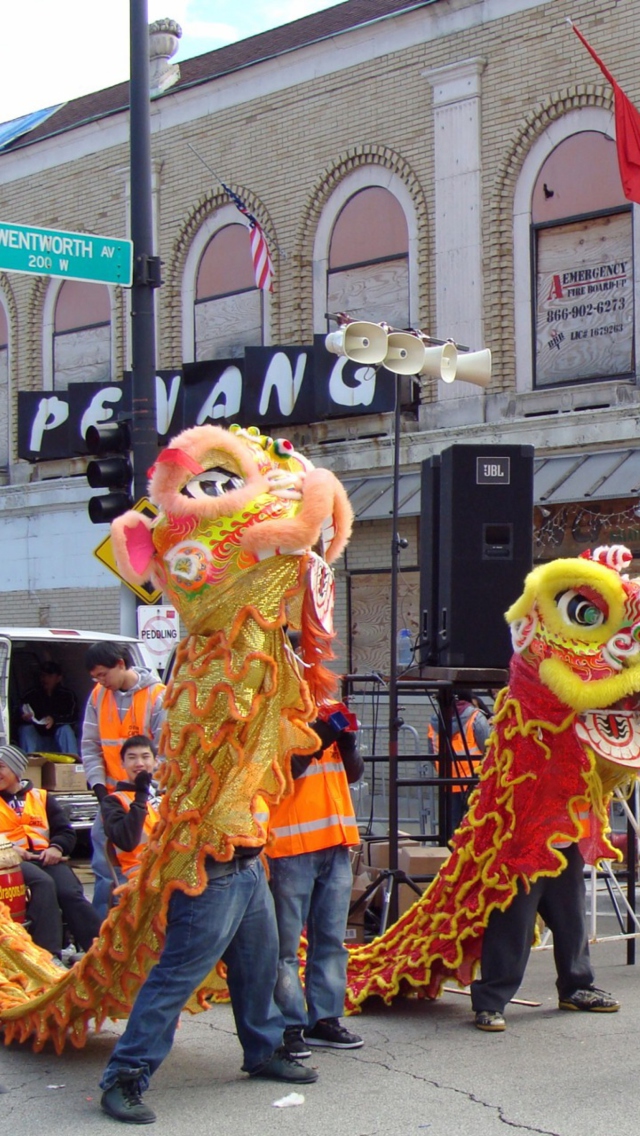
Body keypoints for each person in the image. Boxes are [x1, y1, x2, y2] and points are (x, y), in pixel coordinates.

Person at [99, 822, 319, 1124]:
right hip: (210, 871)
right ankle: (125, 1075)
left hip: (249, 865)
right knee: (176, 977)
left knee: (258, 967)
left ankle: (264, 1051)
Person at [267, 701, 365, 1058]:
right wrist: (316, 741)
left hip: (335, 842)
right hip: (292, 847)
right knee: (285, 948)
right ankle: (289, 1025)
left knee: (331, 941)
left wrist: (348, 744)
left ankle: (323, 1019)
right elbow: (277, 774)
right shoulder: (274, 717)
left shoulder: (326, 713)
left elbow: (352, 774)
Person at [81, 643, 166, 921]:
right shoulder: (97, 696)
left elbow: (165, 752)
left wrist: (147, 791)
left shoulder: (156, 697)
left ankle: (139, 924)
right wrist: (96, 785)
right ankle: (103, 931)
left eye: (103, 674)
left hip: (146, 799)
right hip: (111, 795)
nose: (100, 681)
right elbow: (91, 744)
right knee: (104, 867)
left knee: (145, 865)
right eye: (95, 677)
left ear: (120, 664)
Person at [0, 743, 102, 957]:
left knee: (69, 891)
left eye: (1, 767)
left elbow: (65, 831)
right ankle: (50, 955)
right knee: (43, 884)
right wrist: (9, 850)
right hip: (13, 864)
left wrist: (56, 848)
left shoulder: (42, 797)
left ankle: (99, 948)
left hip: (47, 858)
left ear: (17, 770)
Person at [100, 735, 162, 884]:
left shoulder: (166, 796)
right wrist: (140, 795)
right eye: (132, 758)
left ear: (156, 762)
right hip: (139, 873)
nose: (139, 763)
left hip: (172, 866)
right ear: (122, 763)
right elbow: (127, 841)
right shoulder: (113, 801)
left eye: (145, 757)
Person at [426, 697, 490, 832]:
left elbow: (432, 753)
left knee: (451, 827)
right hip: (473, 780)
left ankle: (451, 851)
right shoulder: (475, 717)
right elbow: (487, 747)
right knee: (474, 825)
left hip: (447, 780)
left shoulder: (435, 721)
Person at [18, 660, 79, 756]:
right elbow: (15, 716)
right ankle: (28, 764)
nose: (45, 679)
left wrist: (54, 720)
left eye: (50, 676)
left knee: (65, 729)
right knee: (26, 729)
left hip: (58, 741)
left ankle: (72, 765)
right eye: (43, 676)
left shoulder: (67, 695)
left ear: (58, 678)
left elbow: (73, 718)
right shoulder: (30, 695)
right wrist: (24, 717)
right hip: (37, 740)